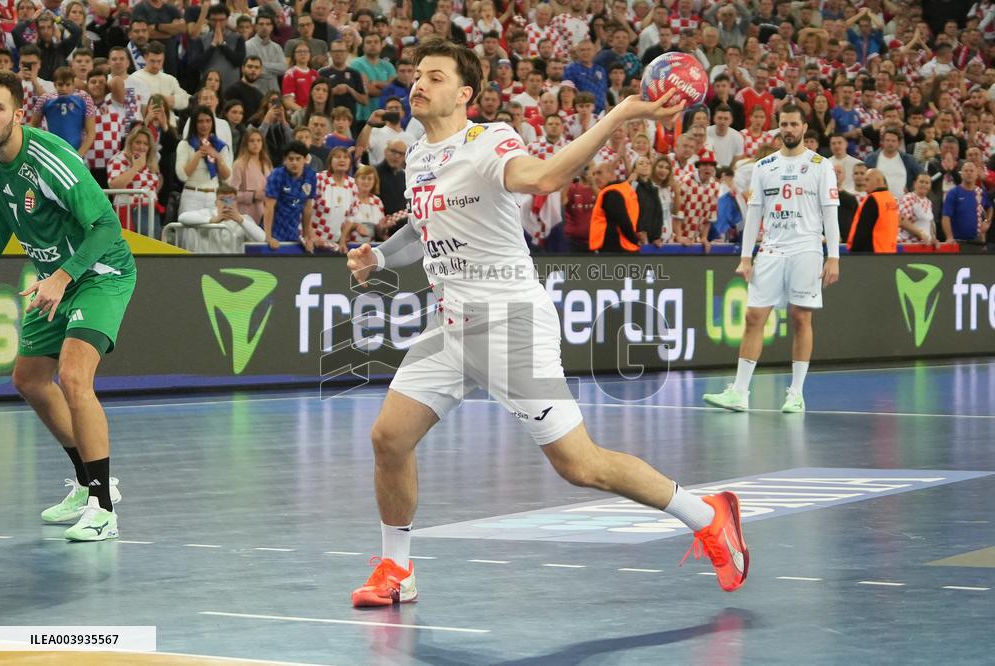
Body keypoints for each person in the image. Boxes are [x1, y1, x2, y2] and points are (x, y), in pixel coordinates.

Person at [344, 39, 749, 608]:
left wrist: (620, 113)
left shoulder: (490, 143)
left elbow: (541, 180)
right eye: (417, 75)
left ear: (465, 94)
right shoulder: (417, 155)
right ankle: (396, 568)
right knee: (388, 437)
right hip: (450, 324)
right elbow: (422, 226)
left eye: (434, 77)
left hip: (510, 323)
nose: (419, 83)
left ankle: (708, 516)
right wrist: (381, 257)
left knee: (580, 465)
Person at [0, 72, 135, 541]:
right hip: (55, 278)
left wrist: (61, 276)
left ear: (18, 114)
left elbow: (105, 227)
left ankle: (103, 507)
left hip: (98, 274)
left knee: (75, 377)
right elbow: (1, 230)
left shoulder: (49, 157)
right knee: (30, 380)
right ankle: (87, 479)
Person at [703, 104, 840, 414]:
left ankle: (796, 393)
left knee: (800, 318)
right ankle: (739, 392)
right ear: (779, 128)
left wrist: (833, 257)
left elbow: (830, 214)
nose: (789, 129)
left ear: (805, 128)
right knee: (754, 317)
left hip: (806, 248)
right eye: (784, 124)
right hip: (771, 250)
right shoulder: (764, 166)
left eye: (794, 124)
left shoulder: (821, 165)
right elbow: (753, 214)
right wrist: (746, 257)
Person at [177, 182, 266, 252]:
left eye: (231, 199)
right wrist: (211, 220)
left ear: (236, 203)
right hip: (207, 265)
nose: (227, 203)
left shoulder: (244, 219)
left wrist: (240, 220)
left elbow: (262, 238)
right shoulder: (207, 214)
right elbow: (182, 217)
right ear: (216, 202)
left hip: (233, 266)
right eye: (222, 199)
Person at [263, 140, 317, 250]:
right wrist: (268, 237)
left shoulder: (310, 176)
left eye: (298, 159)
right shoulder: (277, 175)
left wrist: (307, 236)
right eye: (291, 159)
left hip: (293, 232)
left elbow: (307, 207)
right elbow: (269, 207)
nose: (294, 163)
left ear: (305, 159)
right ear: (285, 160)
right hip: (275, 230)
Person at [847, 169, 899, 253]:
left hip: (872, 251)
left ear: (878, 181)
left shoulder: (873, 199)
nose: (864, 183)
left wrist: (854, 250)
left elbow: (863, 228)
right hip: (889, 251)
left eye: (867, 180)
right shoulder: (891, 199)